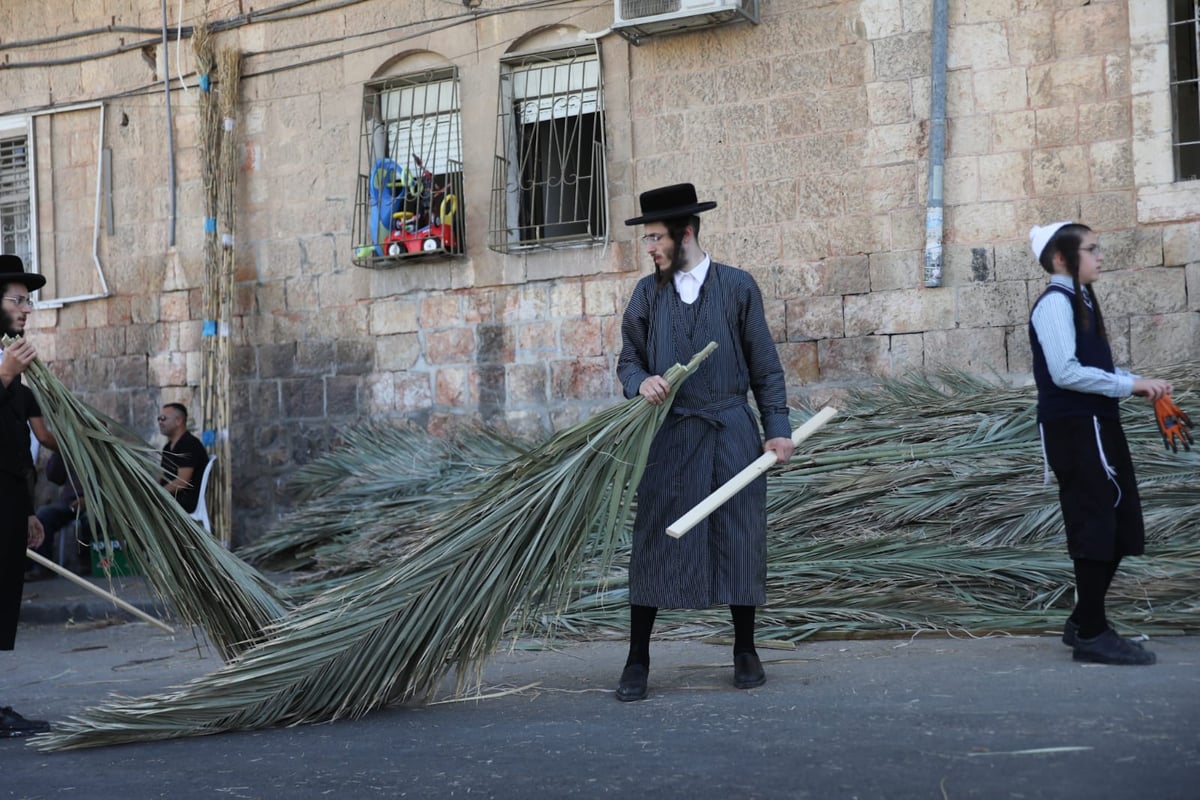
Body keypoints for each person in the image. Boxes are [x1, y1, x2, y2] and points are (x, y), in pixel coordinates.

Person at [614, 183, 795, 701]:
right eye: (646, 237)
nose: (648, 247)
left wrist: (777, 428)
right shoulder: (647, 294)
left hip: (730, 432)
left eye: (654, 237)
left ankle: (744, 650)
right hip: (668, 437)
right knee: (655, 538)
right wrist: (638, 381)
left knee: (739, 536)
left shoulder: (738, 287)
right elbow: (628, 359)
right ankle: (637, 659)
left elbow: (765, 367)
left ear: (684, 233)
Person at [1028, 221, 1173, 666]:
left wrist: (1136, 384)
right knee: (1097, 524)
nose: (1100, 256)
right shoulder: (1055, 304)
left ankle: (1082, 621)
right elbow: (1065, 373)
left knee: (1119, 520)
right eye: (1091, 249)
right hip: (1076, 428)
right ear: (1060, 258)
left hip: (1095, 423)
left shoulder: (1082, 299)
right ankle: (1091, 632)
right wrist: (1131, 384)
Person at [0, 254, 57, 735]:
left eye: (27, 300)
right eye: (18, 300)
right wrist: (1, 375)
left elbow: (18, 441)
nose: (26, 309)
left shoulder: (14, 366)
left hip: (10, 501)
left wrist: (29, 510)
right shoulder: (4, 366)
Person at [31, 451, 92, 576]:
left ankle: (88, 562)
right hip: (69, 503)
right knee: (43, 514)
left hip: (95, 504)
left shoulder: (102, 449)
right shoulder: (70, 448)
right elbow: (54, 476)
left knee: (91, 519)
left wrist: (89, 500)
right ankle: (44, 567)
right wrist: (59, 450)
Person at [157, 402, 208, 514]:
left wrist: (158, 493)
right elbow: (161, 476)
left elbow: (182, 482)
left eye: (164, 418)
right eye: (159, 419)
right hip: (169, 498)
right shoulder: (167, 447)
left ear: (178, 421)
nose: (160, 422)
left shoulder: (189, 445)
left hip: (184, 501)